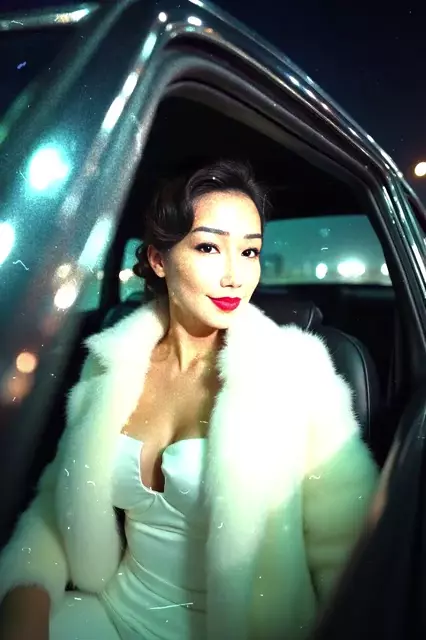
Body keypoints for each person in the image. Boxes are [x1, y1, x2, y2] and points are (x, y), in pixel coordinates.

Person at [0, 159, 378, 640]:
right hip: (109, 612)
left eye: (250, 252)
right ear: (158, 260)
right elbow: (56, 506)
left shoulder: (295, 373)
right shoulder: (111, 365)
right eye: (208, 247)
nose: (235, 277)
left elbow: (352, 554)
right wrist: (25, 604)